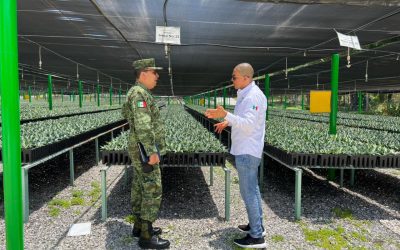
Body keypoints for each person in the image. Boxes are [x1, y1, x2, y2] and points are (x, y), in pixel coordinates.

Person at [205, 63, 267, 249]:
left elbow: (248, 124)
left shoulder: (254, 96)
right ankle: (258, 226)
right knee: (252, 190)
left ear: (246, 78)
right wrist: (227, 122)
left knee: (248, 192)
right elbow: (242, 120)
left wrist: (226, 115)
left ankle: (257, 237)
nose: (232, 80)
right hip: (244, 149)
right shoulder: (245, 95)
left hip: (248, 151)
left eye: (234, 77)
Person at [122, 58, 170, 249]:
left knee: (140, 185)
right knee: (152, 187)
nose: (157, 76)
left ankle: (139, 227)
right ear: (143, 74)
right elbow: (143, 125)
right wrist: (151, 151)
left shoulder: (138, 92)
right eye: (153, 72)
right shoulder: (139, 94)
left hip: (139, 146)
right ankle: (146, 237)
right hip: (144, 148)